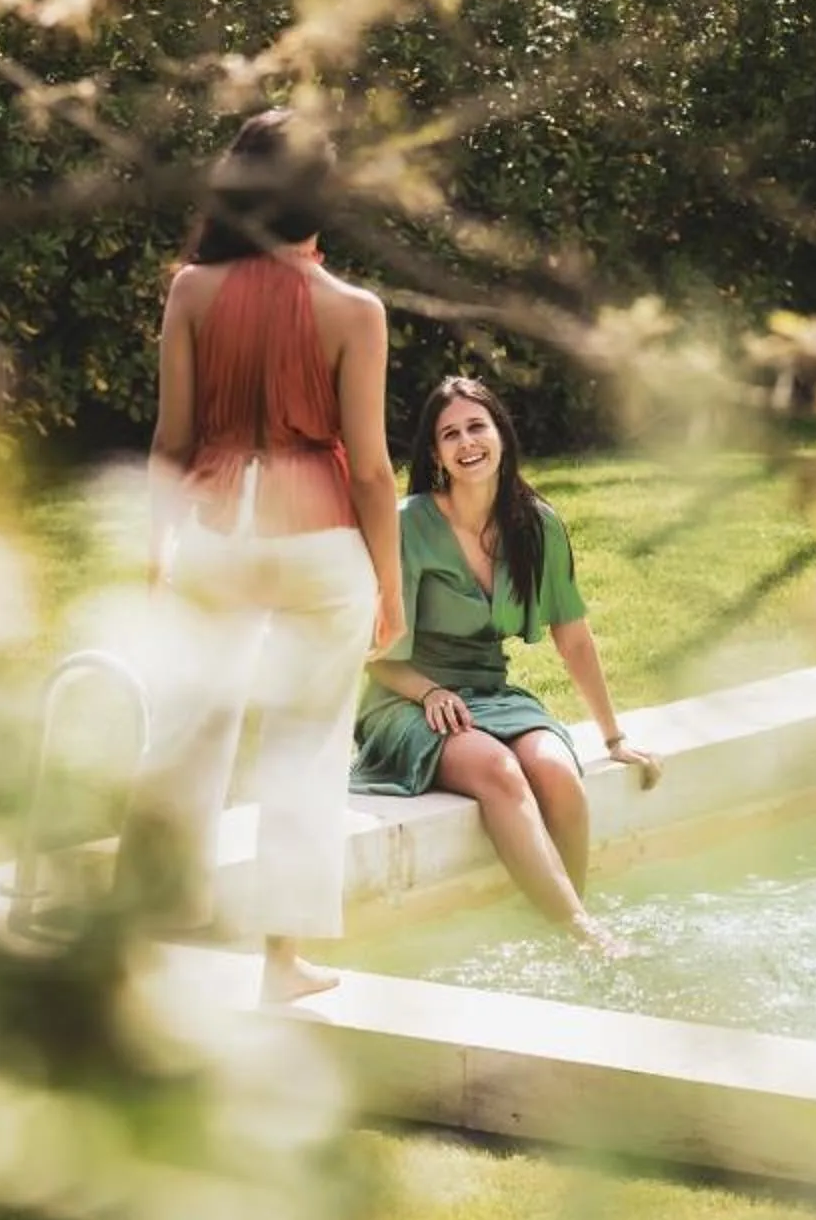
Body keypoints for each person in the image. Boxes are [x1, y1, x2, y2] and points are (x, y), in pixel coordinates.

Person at [123, 112, 405, 1002]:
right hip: (322, 547)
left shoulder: (191, 292)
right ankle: (282, 965)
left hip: (215, 534)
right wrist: (390, 585)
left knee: (184, 734)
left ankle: (140, 942)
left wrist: (155, 549)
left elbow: (170, 441)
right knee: (306, 748)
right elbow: (367, 468)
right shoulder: (356, 311)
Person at [352, 374, 658, 944]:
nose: (467, 443)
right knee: (499, 770)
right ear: (435, 453)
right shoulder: (408, 523)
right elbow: (371, 654)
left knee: (559, 773)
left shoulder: (536, 524)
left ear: (500, 434)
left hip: (490, 695)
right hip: (407, 700)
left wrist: (614, 739)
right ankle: (581, 933)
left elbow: (575, 636)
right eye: (450, 434)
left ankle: (562, 920)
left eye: (476, 426)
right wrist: (429, 692)